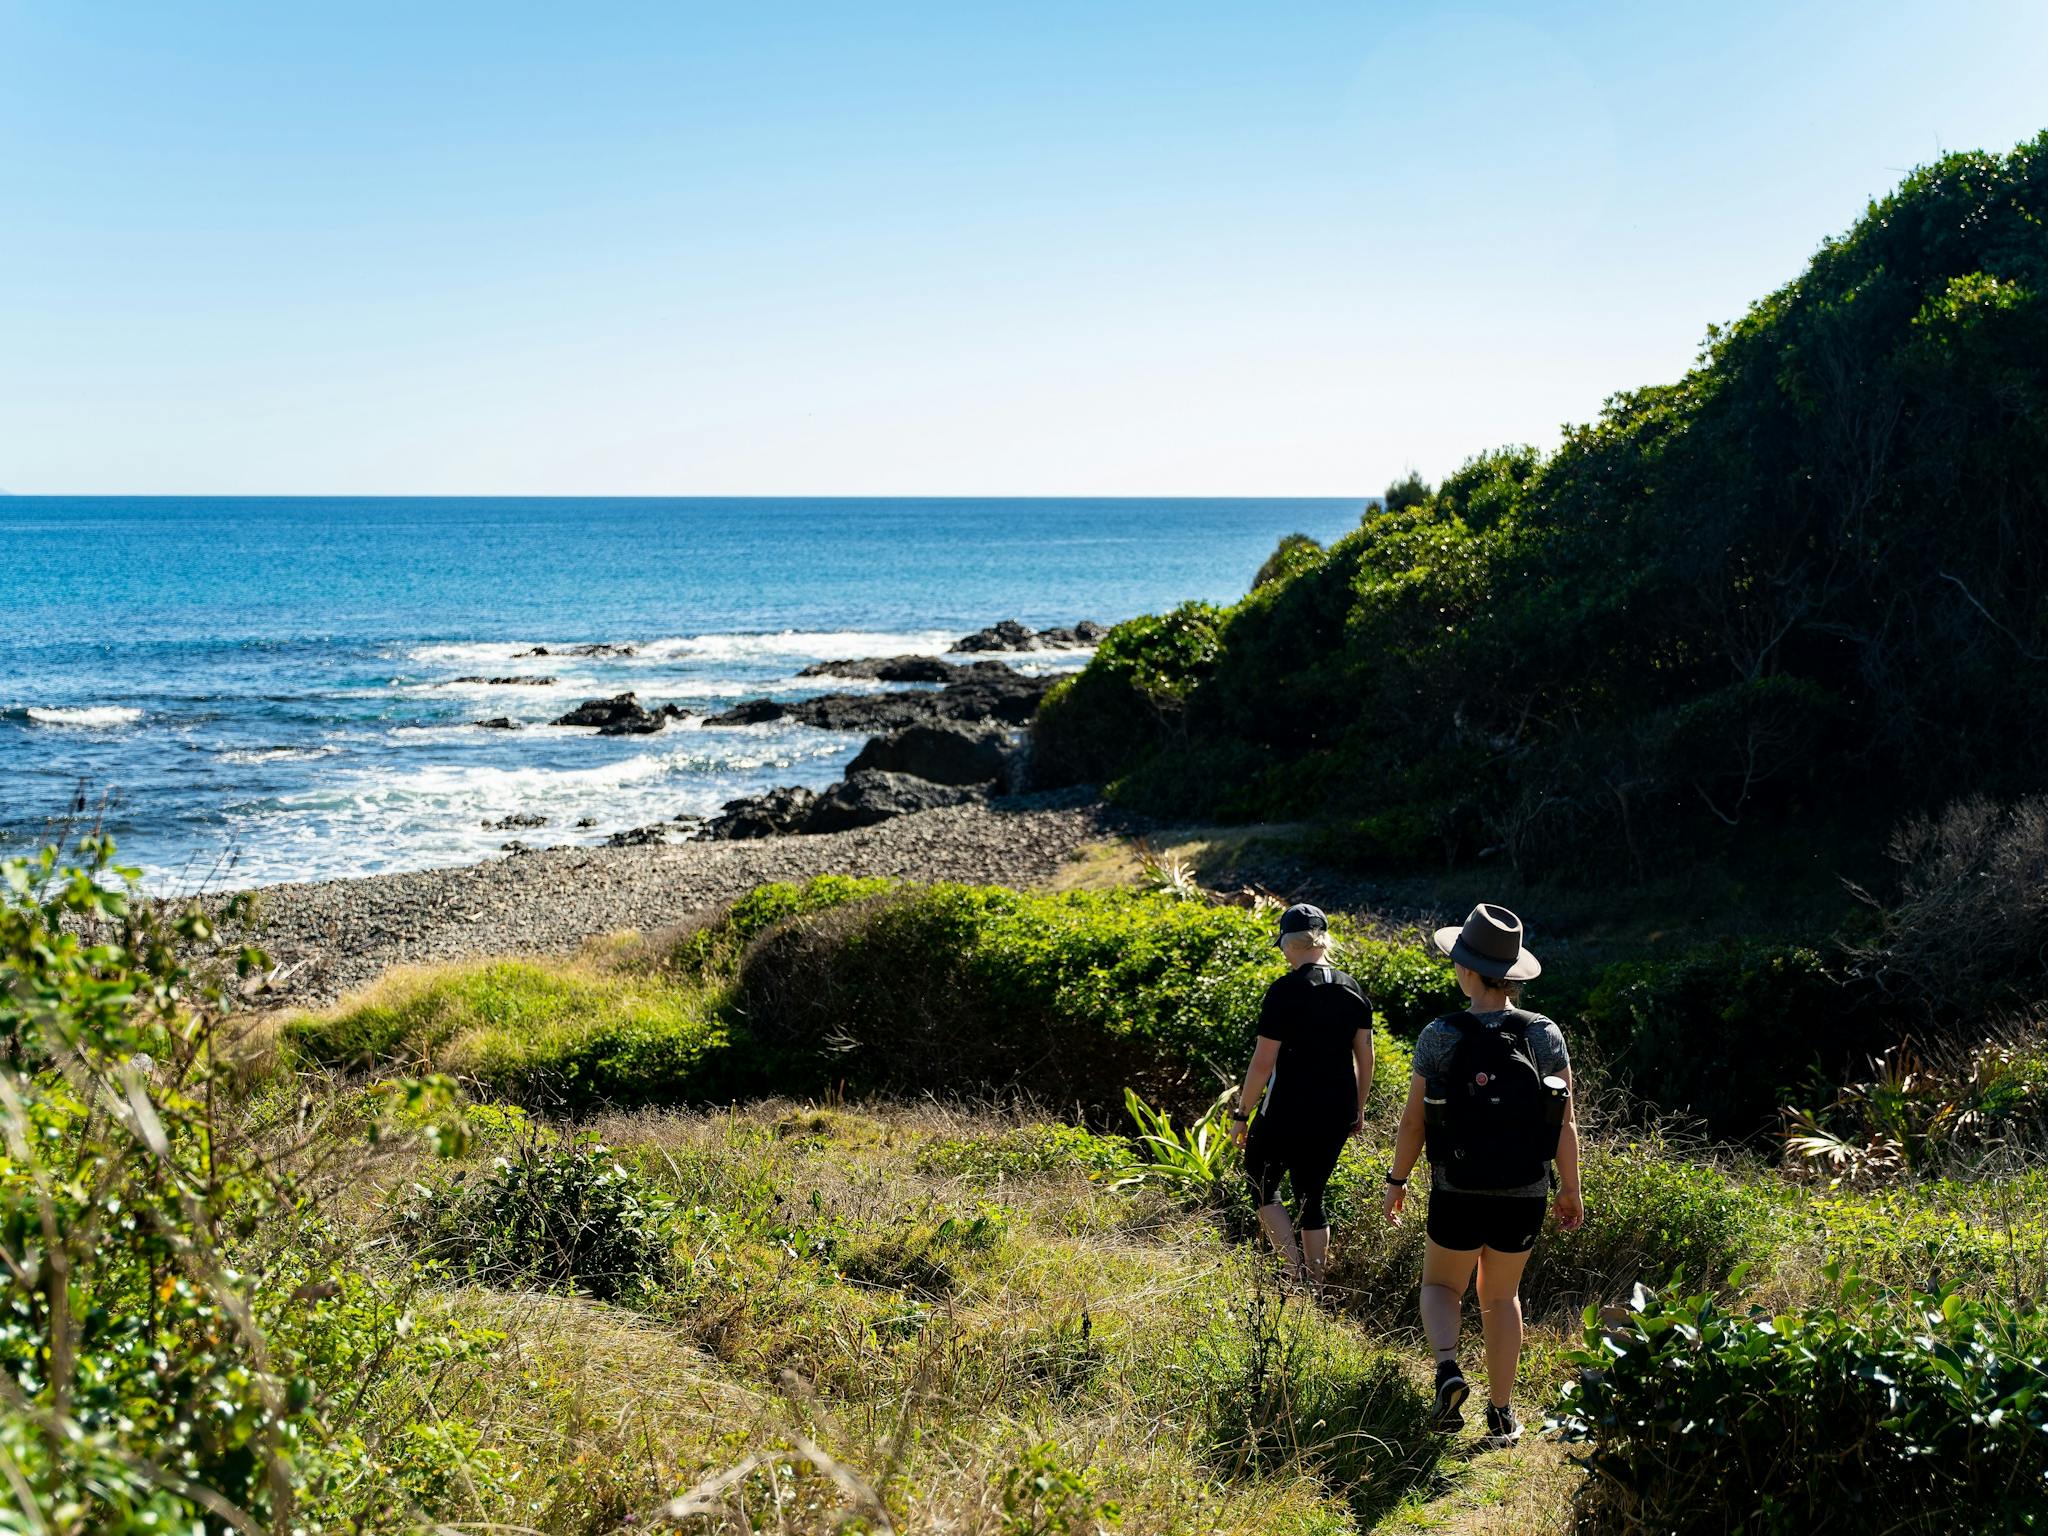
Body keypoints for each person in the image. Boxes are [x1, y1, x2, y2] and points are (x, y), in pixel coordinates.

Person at [1381, 902, 1584, 1450]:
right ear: (1511, 973)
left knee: (1440, 1285)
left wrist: (1397, 1181)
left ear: (1466, 969)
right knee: (1501, 1297)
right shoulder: (1544, 1033)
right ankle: (1500, 1416)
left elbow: (1414, 1121)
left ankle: (1448, 1370)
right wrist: (1570, 1188)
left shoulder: (1439, 1034)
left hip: (1457, 1186)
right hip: (1524, 1189)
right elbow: (1565, 1120)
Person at [1228, 903, 1376, 1290]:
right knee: (1312, 1194)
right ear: (1323, 941)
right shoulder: (1352, 988)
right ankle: (1315, 1285)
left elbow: (1263, 1062)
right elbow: (1366, 1058)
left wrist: (1242, 1114)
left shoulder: (1284, 990)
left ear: (1290, 944)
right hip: (1336, 1110)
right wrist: (1358, 1109)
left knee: (1261, 1182)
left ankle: (1292, 1272)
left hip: (1286, 1108)